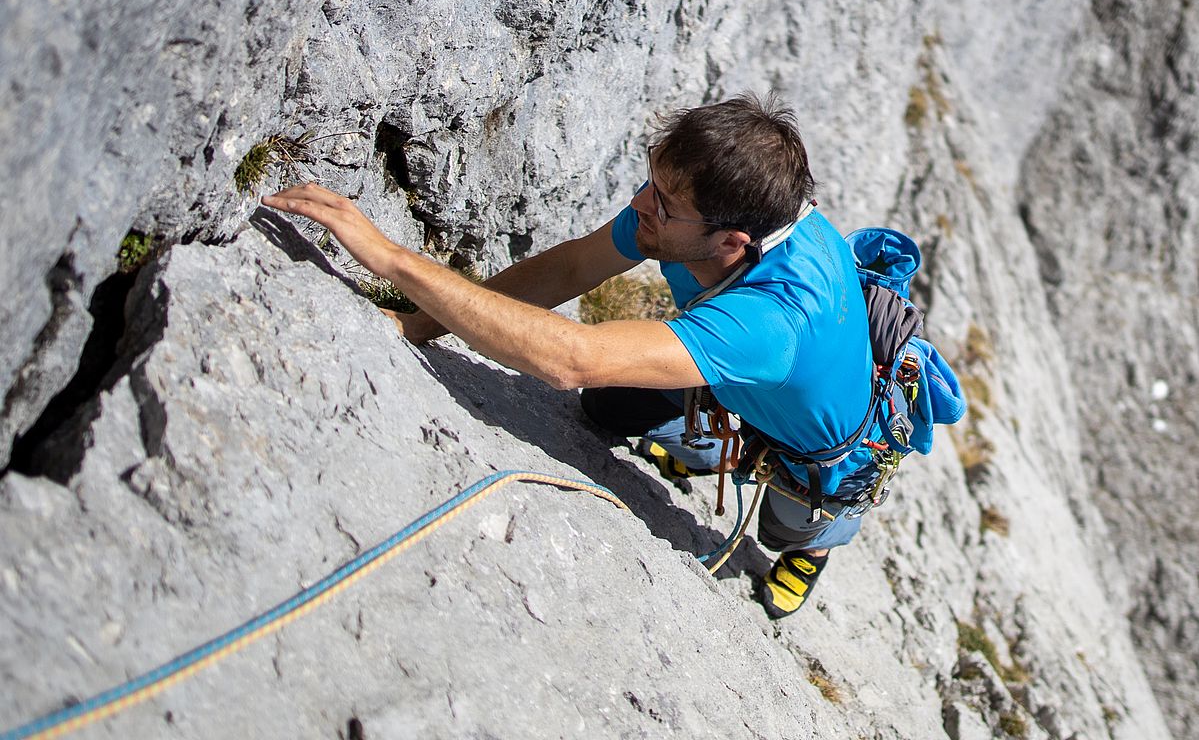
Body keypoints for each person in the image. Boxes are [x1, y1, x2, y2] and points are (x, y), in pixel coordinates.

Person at [262, 93, 877, 618]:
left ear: (730, 242)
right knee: (607, 409)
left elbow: (569, 357)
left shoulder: (771, 323)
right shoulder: (712, 214)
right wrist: (422, 323)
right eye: (652, 181)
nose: (642, 206)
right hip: (740, 359)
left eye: (663, 203)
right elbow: (575, 266)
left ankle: (816, 545)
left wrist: (394, 258)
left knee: (785, 525)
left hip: (821, 440)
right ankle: (713, 440)